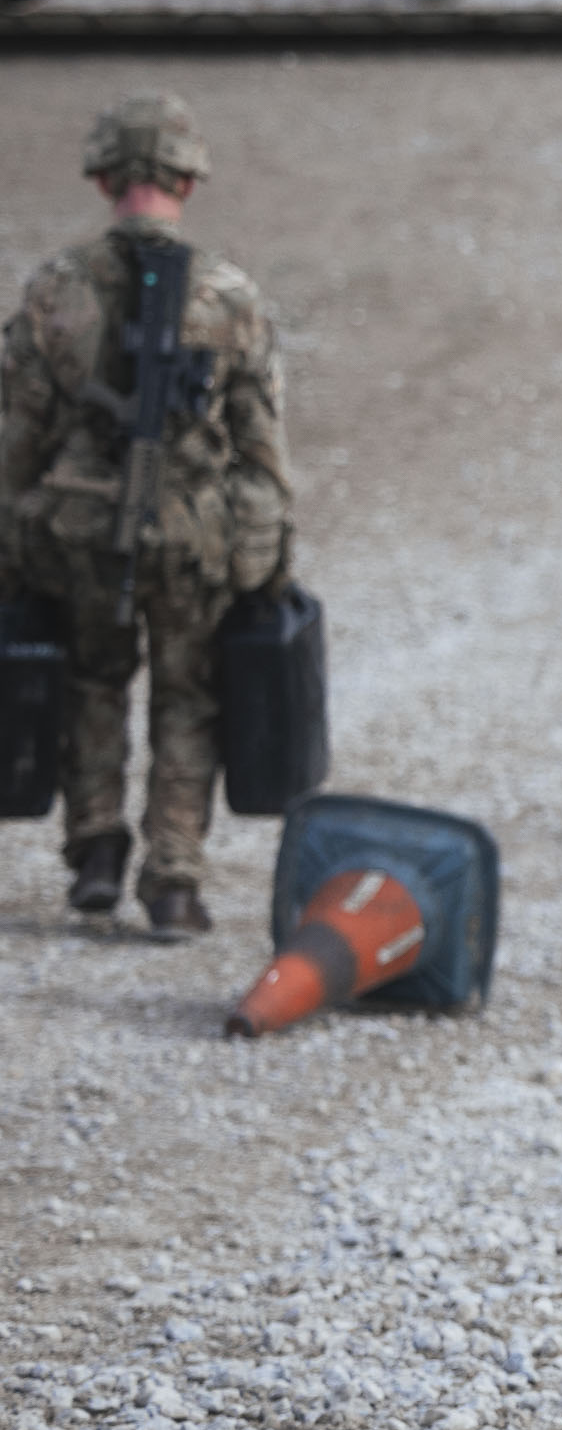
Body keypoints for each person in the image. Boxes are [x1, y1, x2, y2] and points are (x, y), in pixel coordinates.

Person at [0, 93, 294, 936]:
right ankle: (173, 877)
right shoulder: (231, 296)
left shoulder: (55, 290)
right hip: (193, 530)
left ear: (102, 179)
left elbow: (20, 436)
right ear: (187, 184)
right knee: (187, 698)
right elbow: (263, 444)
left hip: (79, 531)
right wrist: (272, 554)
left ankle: (94, 847)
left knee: (91, 681)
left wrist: (13, 539)